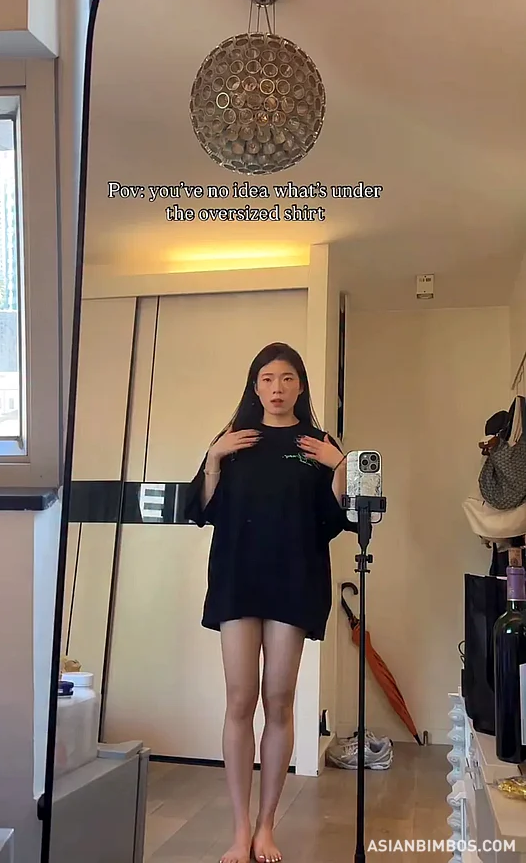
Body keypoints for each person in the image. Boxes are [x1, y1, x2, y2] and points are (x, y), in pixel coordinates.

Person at [185, 342, 352, 863]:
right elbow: (202, 511)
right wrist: (213, 459)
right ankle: (239, 830)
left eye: (286, 379)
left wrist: (341, 466)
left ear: (300, 385)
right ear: (254, 386)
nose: (277, 388)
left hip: (294, 579)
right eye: (267, 379)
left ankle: (265, 827)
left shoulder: (319, 444)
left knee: (279, 700)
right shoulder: (233, 440)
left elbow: (335, 521)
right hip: (238, 579)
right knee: (240, 699)